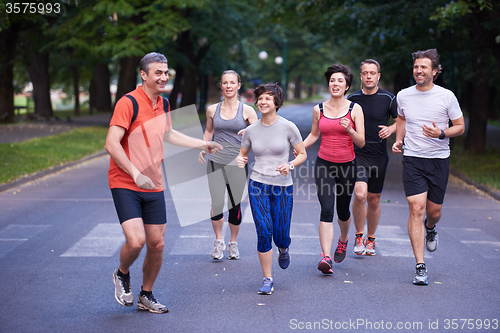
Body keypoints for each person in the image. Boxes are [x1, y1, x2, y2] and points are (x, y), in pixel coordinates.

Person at [105, 52, 222, 313]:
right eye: (158, 72)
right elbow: (111, 143)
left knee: (157, 243)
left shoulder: (165, 104)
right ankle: (122, 273)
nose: (163, 77)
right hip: (126, 181)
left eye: (166, 72)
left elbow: (167, 133)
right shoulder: (128, 103)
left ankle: (146, 295)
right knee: (136, 241)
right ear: (143, 75)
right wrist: (135, 173)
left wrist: (202, 143)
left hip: (154, 183)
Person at [392, 49, 464, 285]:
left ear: (434, 71)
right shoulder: (403, 95)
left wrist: (441, 133)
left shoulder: (446, 96)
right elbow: (401, 118)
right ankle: (420, 266)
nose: (418, 70)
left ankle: (430, 227)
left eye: (424, 67)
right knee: (416, 207)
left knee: (433, 212)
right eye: (416, 67)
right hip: (413, 158)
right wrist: (399, 140)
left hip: (439, 159)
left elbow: (460, 126)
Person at [236, 83, 306, 295]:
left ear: (277, 102)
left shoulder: (288, 127)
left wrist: (290, 165)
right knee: (264, 231)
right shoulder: (250, 130)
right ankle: (267, 279)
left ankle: (284, 248)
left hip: (282, 186)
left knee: (281, 234)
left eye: (268, 98)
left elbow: (301, 153)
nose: (263, 102)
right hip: (258, 184)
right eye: (260, 98)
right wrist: (241, 160)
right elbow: (243, 154)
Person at [301, 64, 365, 275]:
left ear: (347, 86)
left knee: (343, 210)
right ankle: (325, 257)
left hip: (347, 165)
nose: (335, 84)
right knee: (326, 209)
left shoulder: (354, 109)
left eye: (339, 81)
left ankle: (344, 240)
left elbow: (362, 142)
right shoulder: (318, 109)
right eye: (332, 81)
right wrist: (299, 147)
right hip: (324, 165)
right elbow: (313, 135)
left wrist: (350, 130)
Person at [199, 70, 258, 260]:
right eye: (225, 83)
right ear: (221, 86)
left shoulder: (247, 110)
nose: (229, 86)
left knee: (235, 205)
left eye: (232, 83)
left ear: (238, 85)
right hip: (216, 162)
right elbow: (209, 131)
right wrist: (203, 146)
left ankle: (233, 242)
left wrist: (248, 133)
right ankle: (218, 241)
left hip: (238, 163)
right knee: (216, 204)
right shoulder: (212, 110)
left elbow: (258, 134)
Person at [348, 59, 398, 256]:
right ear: (360, 76)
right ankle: (358, 235)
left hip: (379, 156)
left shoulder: (389, 99)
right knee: (360, 194)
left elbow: (400, 121)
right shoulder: (352, 99)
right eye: (365, 73)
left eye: (372, 73)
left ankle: (371, 238)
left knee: (374, 199)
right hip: (357, 154)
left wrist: (391, 129)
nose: (368, 76)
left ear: (378, 76)